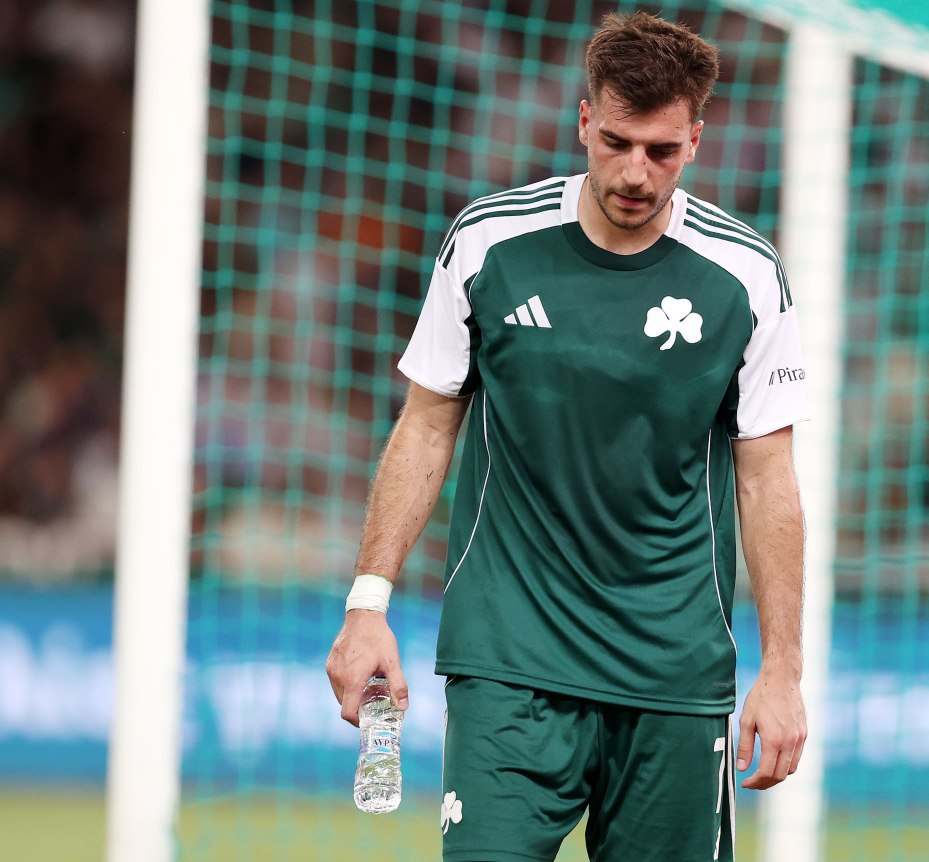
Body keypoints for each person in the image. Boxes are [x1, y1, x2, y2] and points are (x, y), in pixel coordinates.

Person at [326, 12, 809, 861]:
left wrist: (783, 670)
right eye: (617, 141)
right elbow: (428, 425)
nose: (635, 171)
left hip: (672, 670)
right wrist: (368, 605)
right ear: (585, 122)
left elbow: (767, 477)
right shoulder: (489, 244)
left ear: (696, 142)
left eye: (661, 151)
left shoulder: (745, 276)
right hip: (509, 659)